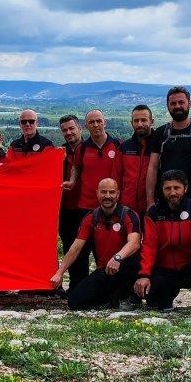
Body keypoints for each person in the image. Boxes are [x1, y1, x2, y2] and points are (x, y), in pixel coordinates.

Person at [134, 170, 191, 316]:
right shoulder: (153, 213)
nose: (172, 192)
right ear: (162, 190)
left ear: (185, 188)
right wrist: (144, 275)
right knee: (153, 300)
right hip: (165, 268)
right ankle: (165, 296)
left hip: (190, 267)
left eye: (176, 188)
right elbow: (149, 246)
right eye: (168, 188)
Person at [50, 179, 141, 309]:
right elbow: (76, 248)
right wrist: (59, 273)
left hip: (125, 267)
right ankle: (110, 298)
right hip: (105, 270)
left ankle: (128, 297)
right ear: (97, 194)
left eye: (111, 192)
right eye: (104, 192)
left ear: (118, 194)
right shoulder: (91, 217)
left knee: (134, 262)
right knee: (74, 302)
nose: (107, 196)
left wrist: (117, 258)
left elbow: (135, 243)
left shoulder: (129, 215)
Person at [63, 110, 123, 290]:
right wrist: (73, 181)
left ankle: (108, 289)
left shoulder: (118, 145)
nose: (96, 125)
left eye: (98, 121)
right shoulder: (83, 147)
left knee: (105, 251)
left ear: (105, 122)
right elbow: (76, 167)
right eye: (91, 122)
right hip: (86, 206)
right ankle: (79, 288)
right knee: (81, 251)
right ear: (86, 126)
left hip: (111, 206)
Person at [145, 87, 191, 206]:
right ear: (168, 106)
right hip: (166, 201)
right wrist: (150, 201)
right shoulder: (160, 133)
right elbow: (152, 167)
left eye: (181, 102)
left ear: (189, 104)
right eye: (173, 103)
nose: (177, 106)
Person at [57, 115, 85, 286]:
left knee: (86, 249)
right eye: (65, 130)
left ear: (79, 128)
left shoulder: (89, 148)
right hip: (66, 208)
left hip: (87, 206)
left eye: (71, 128)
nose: (68, 132)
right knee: (69, 247)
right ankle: (75, 286)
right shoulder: (59, 153)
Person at [119, 105, 155, 217]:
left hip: (154, 208)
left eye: (144, 120)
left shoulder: (159, 145)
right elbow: (117, 176)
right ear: (131, 123)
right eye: (136, 121)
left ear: (152, 121)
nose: (139, 124)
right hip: (127, 208)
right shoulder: (124, 147)